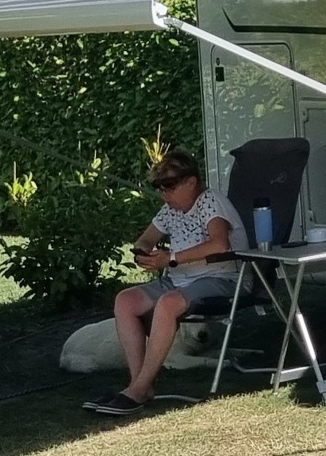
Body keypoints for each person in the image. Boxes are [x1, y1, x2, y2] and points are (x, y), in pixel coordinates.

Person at [83, 151, 242, 416]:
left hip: (220, 278)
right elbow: (144, 240)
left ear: (191, 182)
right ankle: (139, 385)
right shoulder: (170, 210)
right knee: (126, 301)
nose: (163, 193)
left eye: (169, 185)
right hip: (179, 280)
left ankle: (136, 391)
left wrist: (171, 258)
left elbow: (219, 244)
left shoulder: (211, 202)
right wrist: (142, 253)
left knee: (168, 304)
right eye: (159, 187)